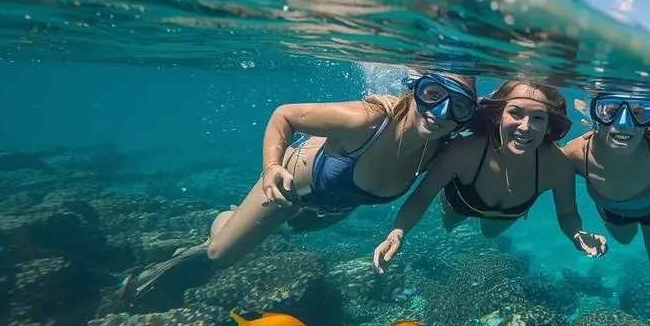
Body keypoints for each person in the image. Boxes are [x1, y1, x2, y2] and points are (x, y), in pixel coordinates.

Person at [130, 71, 479, 301]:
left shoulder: (439, 147)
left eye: (459, 105)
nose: (442, 111)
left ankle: (249, 222)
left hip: (336, 206)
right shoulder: (367, 120)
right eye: (433, 93)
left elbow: (425, 194)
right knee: (220, 255)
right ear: (415, 89)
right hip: (288, 191)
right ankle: (225, 221)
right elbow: (285, 115)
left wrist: (398, 232)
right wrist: (271, 169)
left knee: (297, 227)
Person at [371, 80, 607, 270]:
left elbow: (567, 214)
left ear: (548, 126)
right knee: (449, 226)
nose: (525, 126)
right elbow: (423, 196)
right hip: (459, 204)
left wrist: (577, 234)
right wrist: (398, 231)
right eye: (515, 113)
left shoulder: (558, 166)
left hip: (507, 215)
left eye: (538, 118)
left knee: (489, 233)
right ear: (497, 116)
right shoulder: (462, 152)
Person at [561, 92, 650, 291]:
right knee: (624, 239)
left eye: (639, 113)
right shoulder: (575, 155)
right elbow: (566, 210)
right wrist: (576, 234)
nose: (623, 123)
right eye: (610, 111)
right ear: (595, 113)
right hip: (611, 210)